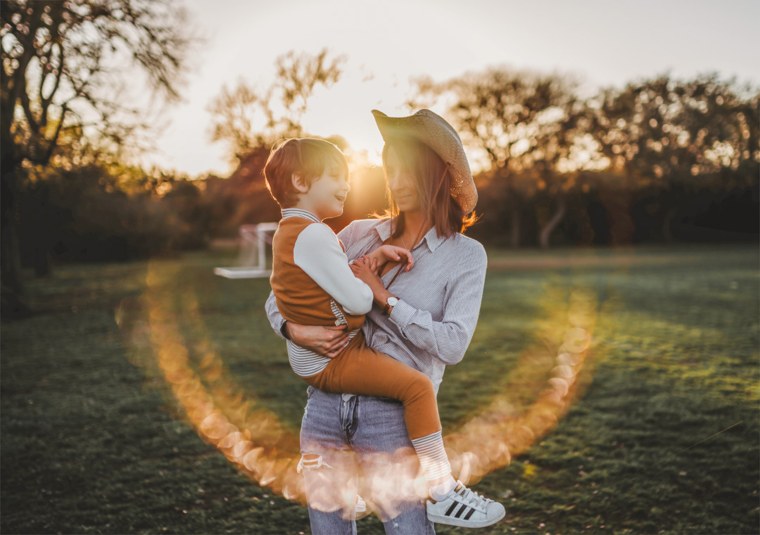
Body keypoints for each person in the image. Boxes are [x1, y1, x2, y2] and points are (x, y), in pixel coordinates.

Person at [265, 109, 502, 533]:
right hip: (323, 408)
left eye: (408, 171)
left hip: (395, 416)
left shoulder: (466, 256)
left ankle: (441, 490)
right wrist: (293, 329)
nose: (397, 182)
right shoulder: (357, 233)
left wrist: (385, 298)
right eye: (390, 169)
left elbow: (453, 344)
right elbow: (280, 291)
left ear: (439, 175)